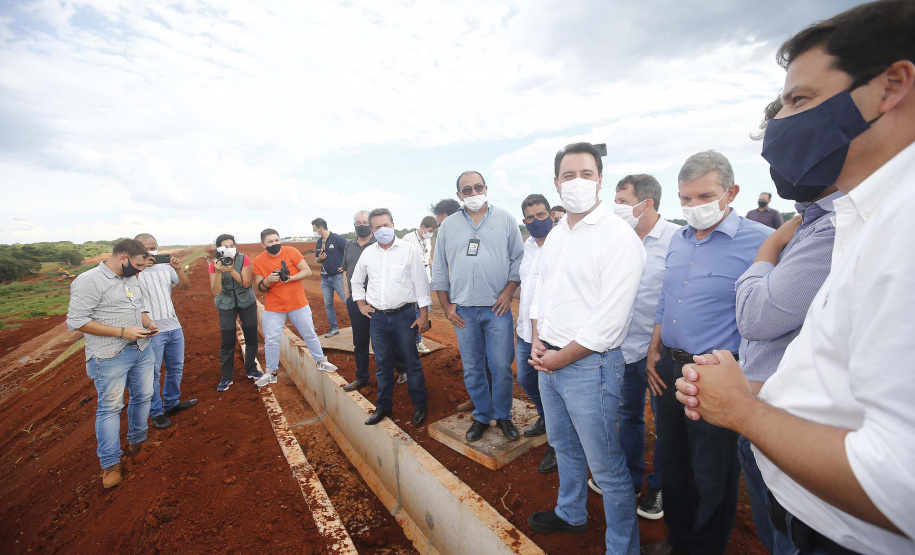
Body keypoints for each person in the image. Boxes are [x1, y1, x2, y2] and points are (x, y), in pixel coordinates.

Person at [675, 3, 915, 553]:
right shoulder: (862, 217)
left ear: (892, 85)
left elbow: (900, 483)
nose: (782, 122)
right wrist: (759, 390)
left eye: (800, 99)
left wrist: (743, 408)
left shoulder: (903, 223)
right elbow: (847, 385)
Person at [642, 151, 772, 555]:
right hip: (668, 368)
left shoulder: (761, 242)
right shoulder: (679, 241)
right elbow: (668, 299)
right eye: (686, 199)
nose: (694, 207)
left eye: (704, 196)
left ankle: (706, 548)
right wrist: (653, 349)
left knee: (713, 473)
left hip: (715, 375)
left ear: (731, 192)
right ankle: (679, 541)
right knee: (674, 464)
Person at [526, 142, 645, 555]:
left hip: (588, 366)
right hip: (550, 359)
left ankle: (622, 547)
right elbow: (543, 290)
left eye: (587, 174)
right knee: (563, 445)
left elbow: (609, 321)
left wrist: (559, 358)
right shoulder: (557, 235)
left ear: (599, 180)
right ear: (556, 183)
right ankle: (571, 513)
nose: (577, 182)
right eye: (569, 175)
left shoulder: (618, 238)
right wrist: (538, 338)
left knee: (608, 466)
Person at [586, 175, 680, 523]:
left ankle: (659, 486)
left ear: (648, 203)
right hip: (622, 349)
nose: (617, 208)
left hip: (660, 351)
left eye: (623, 201)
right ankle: (630, 475)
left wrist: (657, 347)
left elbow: (673, 297)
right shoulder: (617, 238)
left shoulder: (675, 240)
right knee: (629, 417)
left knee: (668, 424)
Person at [431, 170, 524, 442]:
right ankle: (483, 415)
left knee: (501, 366)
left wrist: (508, 292)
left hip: (498, 309)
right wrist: (446, 306)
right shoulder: (448, 226)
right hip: (464, 312)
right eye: (467, 190)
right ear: (459, 195)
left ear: (486, 188)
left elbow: (518, 259)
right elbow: (439, 268)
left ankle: (504, 415)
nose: (473, 193)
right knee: (472, 367)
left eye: (477, 187)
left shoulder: (505, 219)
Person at [66, 238, 158, 489]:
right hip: (109, 355)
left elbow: (137, 307)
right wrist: (121, 332)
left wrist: (148, 323)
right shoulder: (89, 280)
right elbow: (76, 321)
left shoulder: (130, 278)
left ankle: (137, 442)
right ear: (123, 257)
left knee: (143, 396)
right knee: (110, 408)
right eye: (138, 264)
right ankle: (110, 464)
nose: (141, 269)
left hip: (140, 348)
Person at [351, 208, 431, 426]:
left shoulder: (408, 250)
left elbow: (421, 284)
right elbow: (356, 280)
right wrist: (361, 304)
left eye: (386, 225)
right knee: (383, 364)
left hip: (404, 316)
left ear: (393, 224)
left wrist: (423, 315)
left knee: (411, 362)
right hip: (377, 319)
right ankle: (383, 407)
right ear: (372, 229)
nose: (382, 230)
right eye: (377, 227)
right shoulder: (368, 253)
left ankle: (420, 405)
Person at [252, 228, 338, 387]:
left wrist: (290, 278)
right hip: (274, 307)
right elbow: (260, 287)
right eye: (270, 242)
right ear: (263, 244)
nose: (274, 244)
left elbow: (306, 271)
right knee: (271, 340)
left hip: (298, 303)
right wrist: (269, 280)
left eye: (277, 240)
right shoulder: (258, 261)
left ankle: (321, 360)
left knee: (309, 334)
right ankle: (271, 372)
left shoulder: (291, 252)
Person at [135, 233, 196, 429]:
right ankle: (156, 412)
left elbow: (185, 286)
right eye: (145, 247)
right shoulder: (132, 271)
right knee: (152, 373)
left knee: (175, 367)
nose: (150, 251)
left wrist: (178, 269)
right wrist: (142, 266)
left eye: (153, 247)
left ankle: (171, 403)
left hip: (173, 325)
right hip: (150, 329)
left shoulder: (165, 267)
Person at [516, 193, 556, 474]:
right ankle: (545, 419)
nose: (536, 221)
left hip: (551, 332)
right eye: (530, 218)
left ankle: (556, 443)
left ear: (551, 214)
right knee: (525, 377)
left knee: (551, 388)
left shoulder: (563, 244)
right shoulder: (527, 247)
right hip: (524, 330)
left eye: (541, 215)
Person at [209, 233, 263, 392]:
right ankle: (226, 377)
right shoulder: (213, 264)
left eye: (232, 246)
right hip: (226, 304)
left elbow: (245, 284)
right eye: (225, 247)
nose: (230, 249)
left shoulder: (243, 259)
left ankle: (251, 368)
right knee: (227, 339)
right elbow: (216, 290)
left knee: (251, 336)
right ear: (218, 248)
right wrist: (219, 272)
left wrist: (231, 270)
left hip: (246, 301)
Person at [401, 215, 438, 355]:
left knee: (425, 311)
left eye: (433, 231)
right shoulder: (408, 239)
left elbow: (428, 257)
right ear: (423, 227)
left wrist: (432, 271)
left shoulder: (427, 240)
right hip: (413, 282)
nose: (430, 233)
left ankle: (417, 340)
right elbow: (402, 260)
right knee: (415, 312)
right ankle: (415, 342)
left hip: (426, 280)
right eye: (429, 230)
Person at [312, 218, 349, 338]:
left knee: (347, 302)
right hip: (325, 278)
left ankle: (362, 326)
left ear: (321, 228)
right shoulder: (318, 242)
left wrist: (345, 266)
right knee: (328, 304)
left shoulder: (337, 239)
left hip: (338, 277)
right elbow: (317, 260)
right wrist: (320, 258)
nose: (314, 232)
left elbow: (350, 251)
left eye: (315, 230)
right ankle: (333, 328)